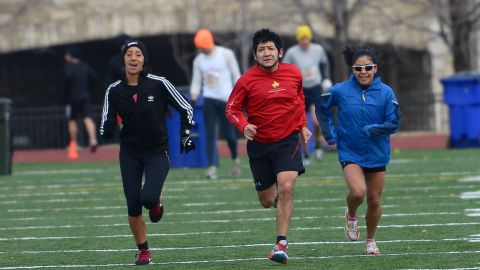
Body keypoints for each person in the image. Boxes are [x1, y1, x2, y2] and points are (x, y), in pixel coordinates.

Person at [100, 40, 195, 265]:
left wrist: (185, 134)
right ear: (123, 60)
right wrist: (106, 128)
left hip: (157, 152)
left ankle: (156, 202)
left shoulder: (159, 83)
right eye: (129, 54)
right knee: (133, 204)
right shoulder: (114, 90)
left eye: (138, 54)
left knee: (148, 198)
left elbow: (186, 108)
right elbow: (107, 118)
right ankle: (143, 250)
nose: (133, 58)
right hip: (130, 153)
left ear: (144, 60)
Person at [226, 28, 311, 264]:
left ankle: (280, 244)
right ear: (255, 55)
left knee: (286, 186)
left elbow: (299, 99)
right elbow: (231, 109)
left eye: (270, 48)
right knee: (266, 200)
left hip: (288, 141)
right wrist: (243, 126)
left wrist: (302, 125)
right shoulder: (246, 80)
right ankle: (278, 201)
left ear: (280, 52)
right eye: (261, 49)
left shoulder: (294, 73)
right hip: (260, 145)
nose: (266, 52)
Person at [316, 45, 401, 255]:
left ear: (375, 69)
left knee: (374, 199)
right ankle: (351, 214)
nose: (363, 72)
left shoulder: (386, 92)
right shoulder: (340, 90)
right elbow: (321, 107)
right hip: (350, 151)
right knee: (358, 192)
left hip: (377, 152)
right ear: (352, 70)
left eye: (367, 67)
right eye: (358, 68)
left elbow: (395, 122)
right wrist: (329, 134)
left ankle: (370, 241)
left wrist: (374, 129)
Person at [190, 28, 242, 179]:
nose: (201, 49)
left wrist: (239, 95)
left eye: (203, 46)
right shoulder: (199, 61)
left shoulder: (226, 54)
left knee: (228, 134)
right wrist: (193, 98)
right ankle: (212, 167)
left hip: (226, 99)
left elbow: (236, 75)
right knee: (210, 133)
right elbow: (196, 81)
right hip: (209, 99)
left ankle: (235, 159)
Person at [283, 25, 332, 165]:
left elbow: (325, 63)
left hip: (315, 88)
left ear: (309, 38)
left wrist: (326, 78)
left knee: (316, 121)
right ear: (299, 39)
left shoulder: (318, 49)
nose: (304, 41)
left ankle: (317, 145)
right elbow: (284, 68)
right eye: (302, 39)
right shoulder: (292, 52)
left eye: (306, 38)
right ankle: (305, 153)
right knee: (301, 124)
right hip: (300, 91)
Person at [63, 46, 98, 159]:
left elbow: (66, 81)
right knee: (88, 118)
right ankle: (93, 139)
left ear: (70, 55)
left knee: (72, 120)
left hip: (72, 97)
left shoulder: (68, 67)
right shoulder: (85, 66)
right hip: (85, 96)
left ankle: (74, 143)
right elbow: (93, 78)